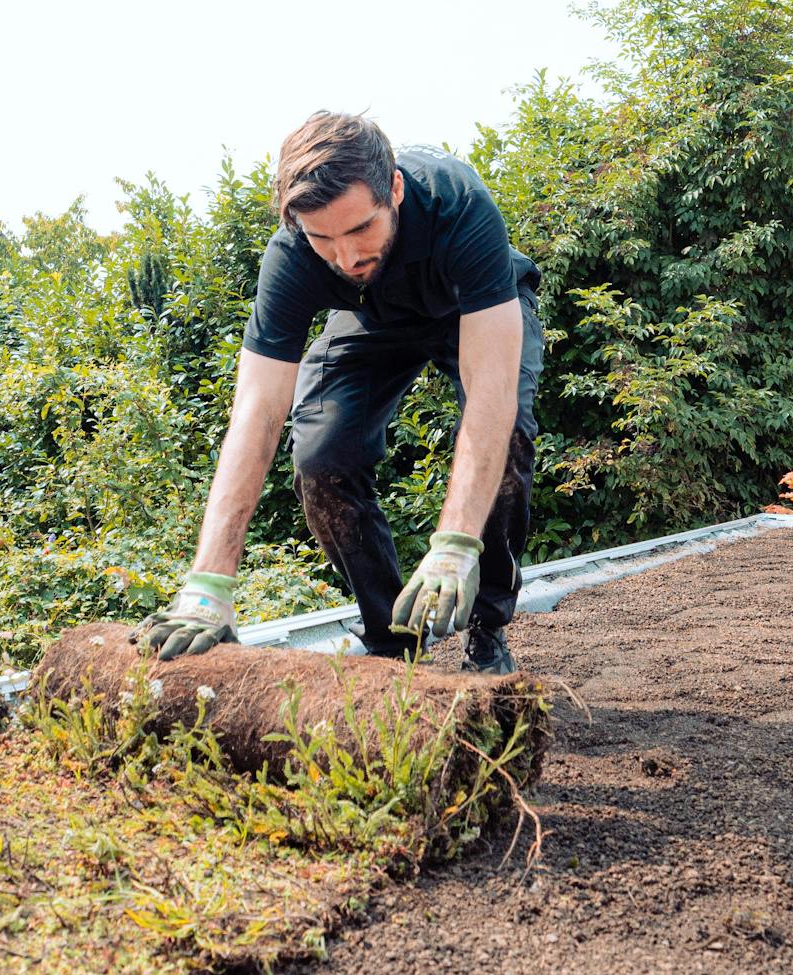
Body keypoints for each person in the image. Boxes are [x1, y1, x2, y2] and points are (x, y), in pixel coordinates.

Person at [134, 111, 544, 674]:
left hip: (472, 309)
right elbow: (256, 413)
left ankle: (487, 628)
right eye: (323, 239)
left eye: (360, 229)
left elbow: (491, 393)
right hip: (372, 318)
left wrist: (454, 542)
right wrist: (209, 581)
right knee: (321, 456)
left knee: (511, 438)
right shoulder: (293, 256)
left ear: (394, 189)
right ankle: (394, 642)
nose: (346, 258)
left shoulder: (457, 204)